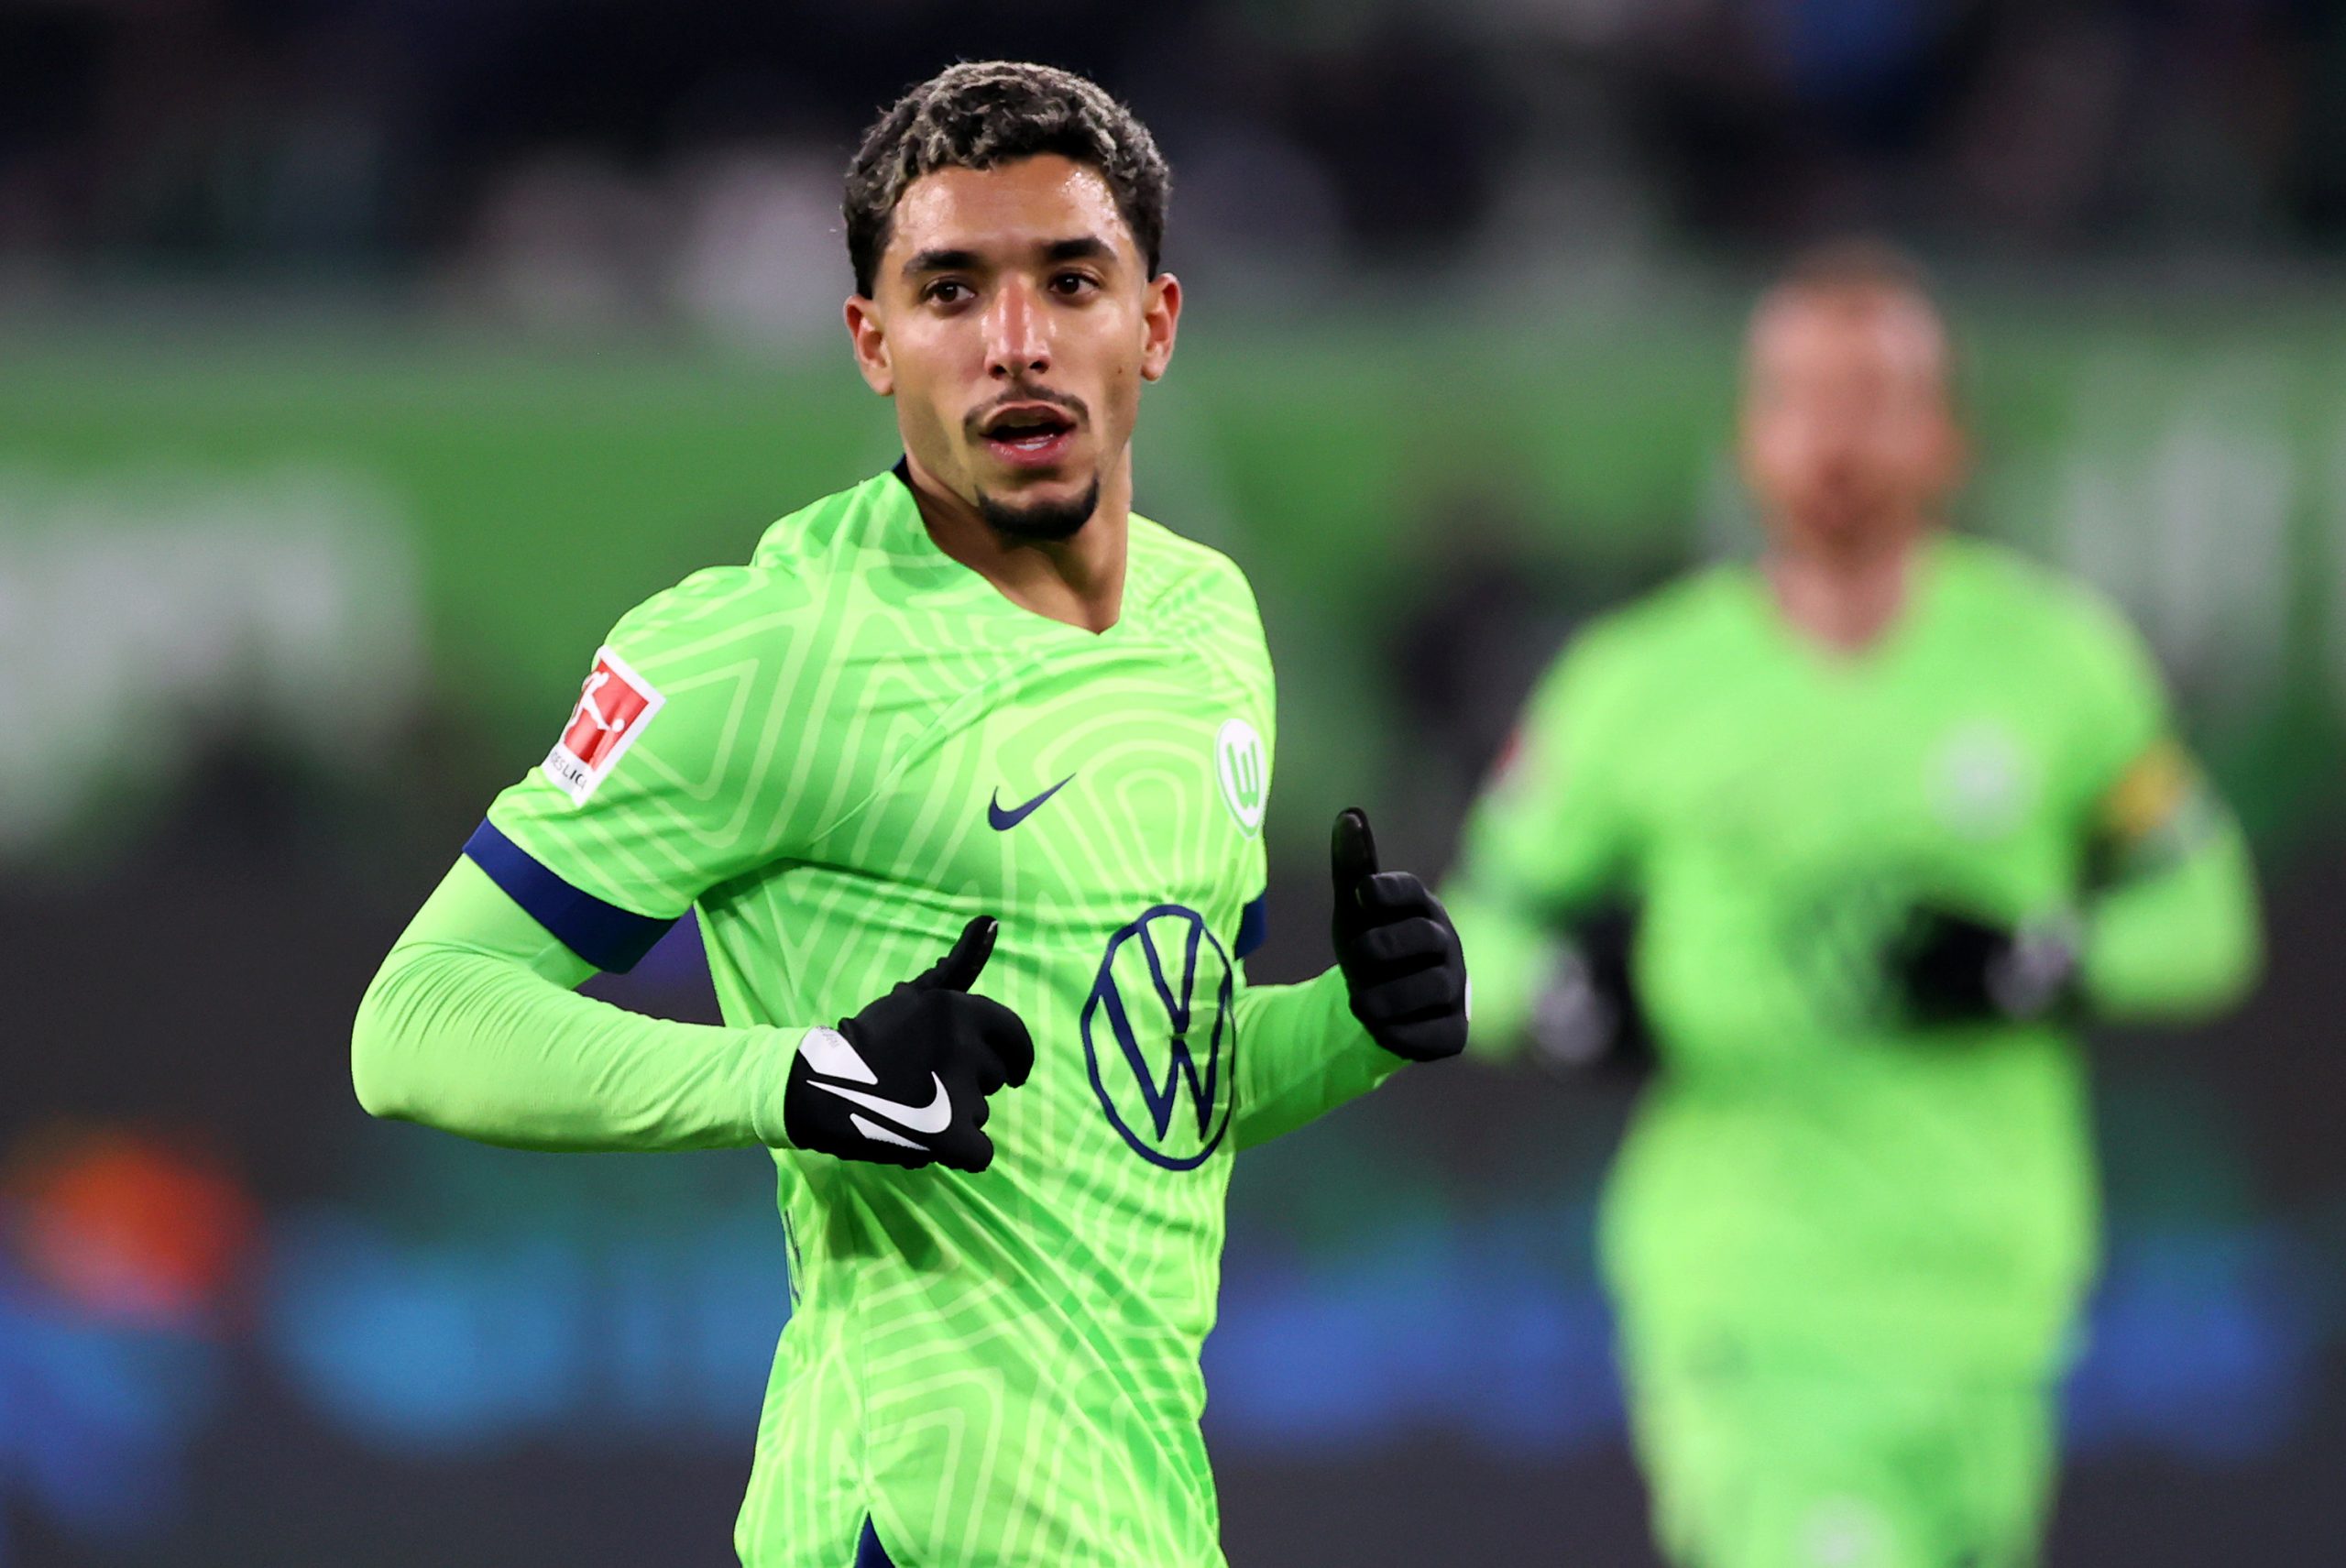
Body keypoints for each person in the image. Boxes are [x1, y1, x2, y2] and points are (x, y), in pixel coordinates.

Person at [349, 61, 1467, 1568]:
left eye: (1070, 280)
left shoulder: (1209, 622)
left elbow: (1152, 1095)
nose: (1017, 341)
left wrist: (1354, 1027)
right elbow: (416, 1021)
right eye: (951, 291)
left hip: (1142, 1517)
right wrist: (803, 1077)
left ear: (1155, 323)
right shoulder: (766, 647)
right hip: (906, 1522)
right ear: (873, 343)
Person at [1443, 242, 2260, 1568]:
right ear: (1747, 439)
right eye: (1799, 401)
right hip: (1752, 1294)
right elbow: (1467, 940)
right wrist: (1559, 1000)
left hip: (1989, 1297)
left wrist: (2046, 962)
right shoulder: (1638, 686)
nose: (1834, 442)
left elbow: (2208, 919)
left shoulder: (2057, 666)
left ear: (1946, 439)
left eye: (1872, 402)